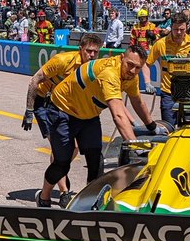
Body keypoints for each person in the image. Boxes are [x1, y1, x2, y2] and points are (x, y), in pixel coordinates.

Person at [36, 46, 159, 207]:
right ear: (122, 57)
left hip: (88, 115)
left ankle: (91, 202)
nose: (133, 70)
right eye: (130, 64)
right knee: (62, 161)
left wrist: (152, 126)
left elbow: (137, 101)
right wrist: (137, 146)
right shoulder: (109, 73)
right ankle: (43, 197)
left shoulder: (131, 76)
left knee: (96, 159)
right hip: (63, 110)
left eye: (138, 67)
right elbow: (118, 115)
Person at [22, 32, 103, 205]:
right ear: (80, 49)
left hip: (64, 106)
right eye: (88, 51)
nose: (92, 55)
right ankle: (64, 191)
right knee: (66, 149)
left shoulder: (95, 67)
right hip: (44, 103)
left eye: (96, 52)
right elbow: (34, 80)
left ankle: (59, 184)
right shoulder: (62, 61)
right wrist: (29, 110)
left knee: (67, 151)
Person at [147, 11, 190, 128]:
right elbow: (146, 64)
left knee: (189, 128)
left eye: (182, 29)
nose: (178, 32)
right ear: (171, 27)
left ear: (187, 27)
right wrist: (147, 82)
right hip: (168, 93)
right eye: (175, 29)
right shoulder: (160, 44)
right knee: (168, 128)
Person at [130, 8, 160, 93]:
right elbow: (132, 40)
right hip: (139, 50)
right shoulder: (135, 27)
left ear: (147, 17)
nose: (142, 20)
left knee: (145, 65)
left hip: (149, 50)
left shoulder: (152, 26)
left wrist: (153, 36)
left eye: (144, 18)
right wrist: (132, 49)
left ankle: (148, 84)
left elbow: (158, 39)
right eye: (141, 18)